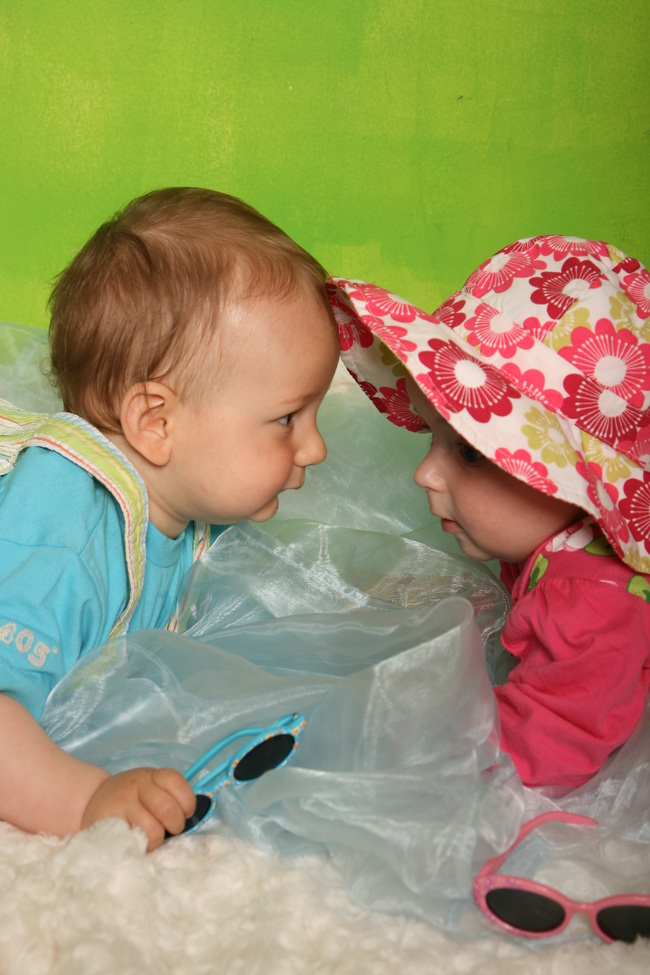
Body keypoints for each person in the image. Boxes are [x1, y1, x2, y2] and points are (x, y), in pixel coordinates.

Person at [0, 187, 339, 847]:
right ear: (156, 422)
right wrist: (86, 798)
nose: (317, 447)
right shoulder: (62, 541)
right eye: (288, 418)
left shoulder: (183, 501)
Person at [329, 235, 650, 789]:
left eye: (471, 452)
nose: (423, 474)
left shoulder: (597, 604)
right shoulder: (554, 544)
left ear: (571, 482)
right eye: (435, 437)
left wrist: (429, 766)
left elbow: (546, 743)